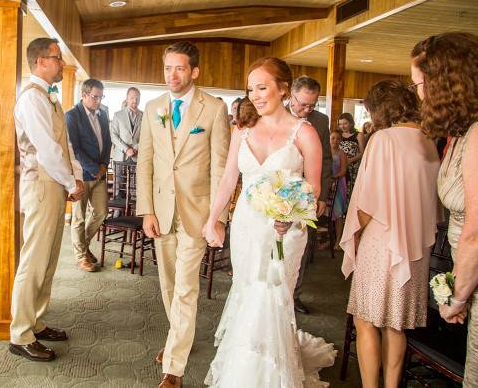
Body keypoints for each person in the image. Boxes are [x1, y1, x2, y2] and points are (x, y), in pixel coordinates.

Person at [203, 57, 334, 387]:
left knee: (272, 297)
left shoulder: (304, 133)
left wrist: (290, 217)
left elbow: (315, 189)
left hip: (284, 231)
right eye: (251, 89)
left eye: (262, 87)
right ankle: (244, 368)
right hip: (247, 226)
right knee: (247, 292)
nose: (256, 95)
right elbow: (228, 178)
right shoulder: (243, 130)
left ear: (283, 88)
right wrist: (213, 220)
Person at [137, 41, 230, 388]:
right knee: (168, 284)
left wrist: (217, 216)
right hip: (161, 211)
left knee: (186, 288)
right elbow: (144, 161)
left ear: (194, 71)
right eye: (167, 68)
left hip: (197, 212)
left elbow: (220, 167)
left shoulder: (215, 109)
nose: (171, 75)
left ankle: (173, 368)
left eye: (179, 68)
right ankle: (179, 336)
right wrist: (146, 210)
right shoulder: (153, 107)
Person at [340, 79, 441, 388]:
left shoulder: (383, 138)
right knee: (396, 324)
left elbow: (367, 202)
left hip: (382, 240)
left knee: (366, 320)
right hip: (416, 244)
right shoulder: (429, 140)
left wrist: (354, 234)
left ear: (381, 109)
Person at [10, 37, 84, 362]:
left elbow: (64, 144)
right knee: (34, 260)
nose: (61, 64)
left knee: (50, 258)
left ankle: (36, 321)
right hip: (41, 184)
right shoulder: (31, 99)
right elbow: (46, 149)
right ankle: (20, 333)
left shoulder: (51, 98)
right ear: (41, 62)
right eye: (56, 58)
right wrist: (70, 181)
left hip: (56, 183)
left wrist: (75, 176)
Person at [411, 32, 478, 386]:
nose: (418, 94)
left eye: (419, 84)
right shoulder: (462, 133)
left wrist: (457, 296)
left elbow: (475, 233)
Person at [288, 75, 332, 314]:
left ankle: (294, 295)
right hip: (276, 191)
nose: (306, 110)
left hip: (308, 193)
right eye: (302, 104)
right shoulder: (276, 114)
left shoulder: (321, 121)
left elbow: (325, 160)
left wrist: (322, 195)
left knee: (301, 246)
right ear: (291, 95)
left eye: (312, 105)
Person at [65, 78, 112, 272]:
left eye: (101, 97)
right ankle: (81, 256)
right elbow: (74, 148)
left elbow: (107, 142)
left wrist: (103, 165)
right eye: (95, 97)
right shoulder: (72, 115)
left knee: (101, 212)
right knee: (79, 217)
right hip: (81, 174)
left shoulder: (102, 114)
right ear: (83, 95)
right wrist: (94, 168)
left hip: (100, 173)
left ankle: (82, 247)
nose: (98, 101)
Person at [110, 86, 142, 163]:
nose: (135, 100)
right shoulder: (117, 115)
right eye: (132, 98)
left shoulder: (144, 115)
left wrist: (136, 148)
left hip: (138, 157)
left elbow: (146, 135)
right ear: (127, 99)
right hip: (121, 157)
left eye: (137, 98)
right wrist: (126, 149)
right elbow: (113, 135)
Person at [338, 112, 364, 199]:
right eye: (340, 124)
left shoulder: (358, 135)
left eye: (345, 123)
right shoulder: (338, 135)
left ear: (351, 123)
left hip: (352, 166)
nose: (342, 126)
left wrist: (350, 160)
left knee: (350, 190)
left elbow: (362, 152)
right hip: (338, 166)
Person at [329, 130, 348, 248]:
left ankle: (338, 241)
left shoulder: (342, 154)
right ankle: (328, 239)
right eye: (333, 138)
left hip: (338, 184)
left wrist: (333, 178)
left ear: (341, 140)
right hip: (327, 184)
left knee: (338, 213)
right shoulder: (325, 152)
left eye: (338, 139)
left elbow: (343, 171)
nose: (335, 141)